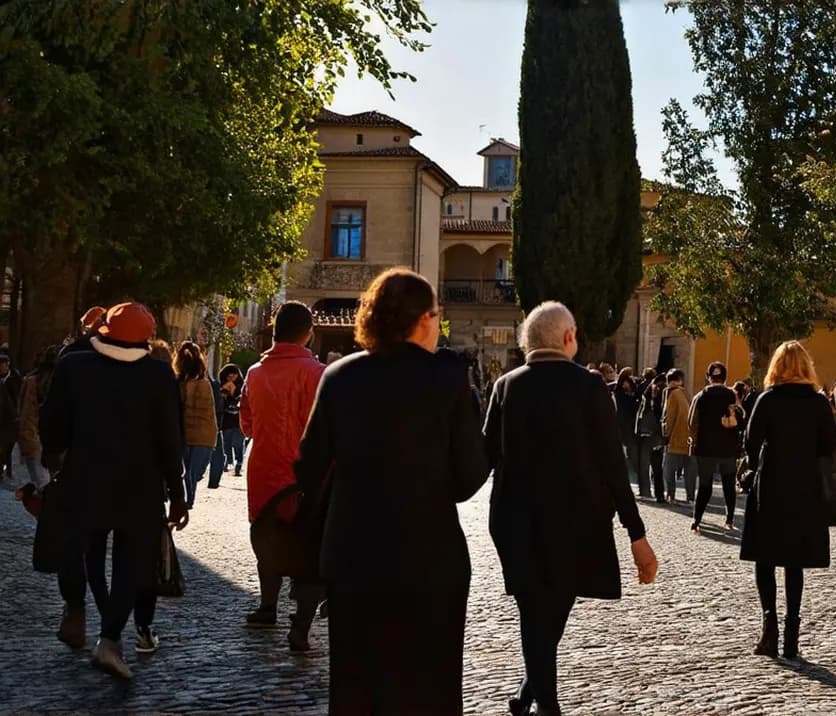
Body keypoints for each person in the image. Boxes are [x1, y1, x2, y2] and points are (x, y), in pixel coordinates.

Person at [295, 268, 488, 713]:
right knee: (431, 685)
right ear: (422, 320)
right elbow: (468, 479)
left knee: (356, 683)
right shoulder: (448, 380)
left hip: (353, 555)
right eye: (437, 314)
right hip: (429, 558)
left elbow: (308, 468)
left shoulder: (339, 376)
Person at [484, 301, 658, 716]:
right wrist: (636, 534)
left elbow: (484, 455)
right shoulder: (589, 387)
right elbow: (613, 465)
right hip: (577, 523)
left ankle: (529, 692)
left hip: (516, 521)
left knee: (537, 614)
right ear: (567, 338)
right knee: (549, 612)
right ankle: (548, 706)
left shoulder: (506, 386)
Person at [39, 302, 187, 679]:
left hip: (83, 478)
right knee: (129, 565)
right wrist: (177, 492)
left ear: (103, 330)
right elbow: (170, 441)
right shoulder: (158, 375)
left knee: (75, 548)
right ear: (147, 339)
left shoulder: (74, 366)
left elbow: (51, 428)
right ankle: (109, 640)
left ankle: (75, 606)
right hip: (139, 486)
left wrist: (56, 462)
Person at [741, 341, 836, 659]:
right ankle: (792, 635)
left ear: (776, 366)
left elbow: (750, 441)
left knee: (765, 556)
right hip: (805, 487)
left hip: (771, 484)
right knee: (795, 561)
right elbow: (830, 445)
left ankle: (769, 628)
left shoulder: (768, 399)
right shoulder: (818, 402)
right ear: (806, 366)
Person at [240, 302, 325, 650]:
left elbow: (246, 425)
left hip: (265, 468)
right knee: (310, 545)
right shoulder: (318, 373)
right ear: (308, 333)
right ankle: (301, 624)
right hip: (307, 473)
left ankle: (267, 605)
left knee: (266, 537)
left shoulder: (254, 373)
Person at [689, 361, 741, 534]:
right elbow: (742, 418)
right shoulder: (732, 395)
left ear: (708, 377)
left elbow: (691, 421)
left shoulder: (701, 396)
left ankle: (696, 521)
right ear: (724, 377)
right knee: (728, 484)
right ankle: (729, 520)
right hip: (728, 447)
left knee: (704, 486)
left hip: (705, 448)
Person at [173, 342, 218, 510]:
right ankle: (188, 500)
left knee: (185, 472)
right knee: (193, 473)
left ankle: (187, 500)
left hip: (183, 434)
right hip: (204, 435)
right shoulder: (206, 384)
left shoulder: (176, 383)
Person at [16, 346, 59, 488]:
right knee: (43, 484)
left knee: (44, 484)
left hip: (46, 442)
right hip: (38, 441)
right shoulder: (34, 383)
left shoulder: (59, 382)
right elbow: (27, 416)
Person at [662, 369, 696, 505]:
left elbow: (669, 417)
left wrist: (666, 434)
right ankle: (690, 497)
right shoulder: (685, 394)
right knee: (690, 470)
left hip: (676, 438)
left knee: (668, 468)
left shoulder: (672, 394)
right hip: (689, 438)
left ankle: (670, 494)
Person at [637, 372, 667, 502]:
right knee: (657, 466)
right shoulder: (661, 395)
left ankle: (645, 491)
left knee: (645, 465)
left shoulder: (647, 393)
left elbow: (640, 413)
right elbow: (660, 416)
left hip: (645, 433)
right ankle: (659, 494)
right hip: (656, 433)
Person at [612, 373, 645, 495]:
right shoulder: (619, 396)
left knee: (634, 460)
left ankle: (640, 486)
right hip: (624, 430)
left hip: (630, 431)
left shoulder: (633, 396)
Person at [218, 364, 245, 476]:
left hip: (239, 420)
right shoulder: (221, 387)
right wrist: (224, 391)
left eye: (234, 376)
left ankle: (238, 464)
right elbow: (220, 403)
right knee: (226, 442)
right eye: (229, 376)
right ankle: (227, 462)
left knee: (238, 443)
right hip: (226, 420)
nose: (232, 378)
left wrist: (234, 392)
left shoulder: (242, 387)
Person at [0, 353, 22, 483]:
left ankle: (7, 470)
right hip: (3, 418)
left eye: (3, 365)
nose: (2, 367)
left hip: (11, 419)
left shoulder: (16, 379)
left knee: (8, 447)